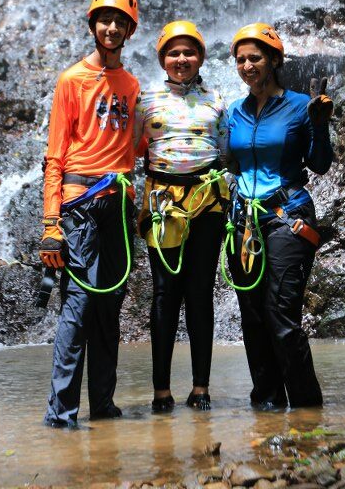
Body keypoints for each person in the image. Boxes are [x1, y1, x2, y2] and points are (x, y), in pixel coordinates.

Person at [40, 0, 140, 428]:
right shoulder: (71, 80)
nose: (112, 28)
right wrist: (51, 222)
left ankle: (102, 403)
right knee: (78, 306)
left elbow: (132, 149)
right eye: (104, 20)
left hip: (118, 208)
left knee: (109, 308)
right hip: (79, 205)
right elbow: (55, 155)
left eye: (120, 22)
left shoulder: (133, 85)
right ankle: (61, 413)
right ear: (92, 25)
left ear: (130, 30)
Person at [225, 22, 333, 410]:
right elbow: (227, 164)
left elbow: (320, 164)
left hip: (288, 215)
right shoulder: (233, 113)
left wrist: (320, 127)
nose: (247, 65)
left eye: (255, 58)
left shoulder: (300, 106)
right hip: (243, 222)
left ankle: (307, 413)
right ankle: (267, 408)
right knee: (252, 318)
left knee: (279, 314)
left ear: (274, 60)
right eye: (240, 60)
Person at [134, 21, 229, 413]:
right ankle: (161, 390)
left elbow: (225, 152)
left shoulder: (217, 100)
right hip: (163, 200)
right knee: (164, 293)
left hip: (207, 199)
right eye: (174, 53)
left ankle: (201, 386)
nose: (182, 59)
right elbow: (130, 150)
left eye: (189, 52)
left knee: (200, 292)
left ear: (201, 57)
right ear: (162, 59)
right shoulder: (144, 100)